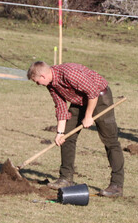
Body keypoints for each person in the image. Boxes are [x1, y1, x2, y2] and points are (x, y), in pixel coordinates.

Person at [28, 61, 126, 197]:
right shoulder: (51, 84)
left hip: (100, 97)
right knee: (66, 137)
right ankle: (66, 178)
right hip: (79, 100)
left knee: (110, 141)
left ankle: (116, 185)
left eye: (37, 81)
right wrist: (60, 133)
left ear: (43, 76)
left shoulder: (70, 73)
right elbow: (61, 107)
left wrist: (88, 116)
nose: (38, 84)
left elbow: (93, 93)